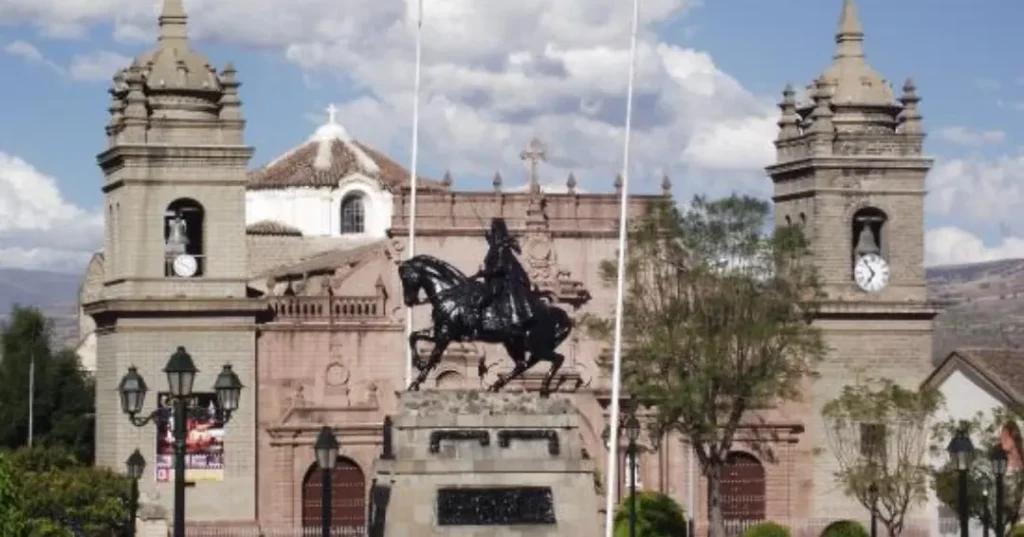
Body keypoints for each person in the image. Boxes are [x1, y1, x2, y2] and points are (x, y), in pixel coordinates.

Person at [472, 218, 537, 330]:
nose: (493, 233)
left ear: (499, 231)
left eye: (494, 230)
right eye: (492, 231)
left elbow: (500, 268)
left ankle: (481, 323)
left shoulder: (502, 248)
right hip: (494, 278)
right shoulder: (496, 247)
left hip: (501, 280)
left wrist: (484, 273)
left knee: (490, 294)